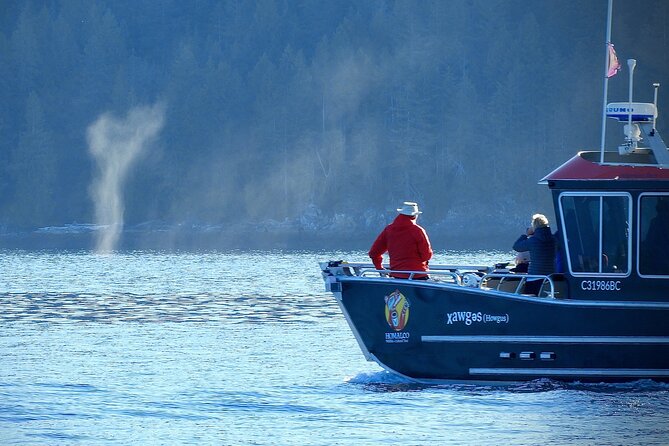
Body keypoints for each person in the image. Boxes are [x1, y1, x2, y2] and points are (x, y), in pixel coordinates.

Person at [369, 201, 433, 279]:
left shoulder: (389, 230)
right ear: (414, 216)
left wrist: (380, 269)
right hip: (418, 275)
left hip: (397, 275)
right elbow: (427, 255)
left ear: (400, 214)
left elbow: (373, 253)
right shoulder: (418, 231)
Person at [513, 213, 556, 295]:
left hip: (534, 277)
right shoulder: (554, 240)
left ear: (534, 227)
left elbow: (516, 246)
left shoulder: (533, 241)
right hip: (550, 278)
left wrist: (526, 235)